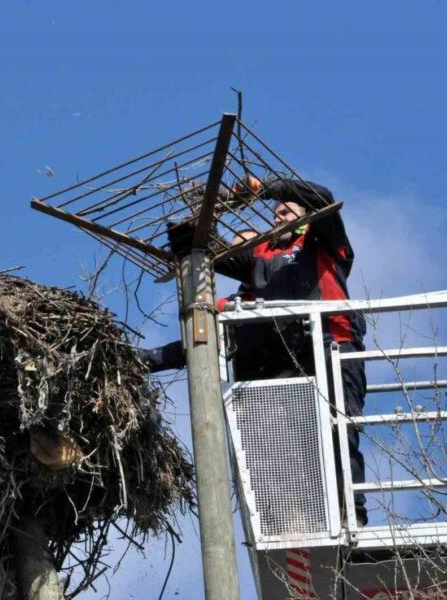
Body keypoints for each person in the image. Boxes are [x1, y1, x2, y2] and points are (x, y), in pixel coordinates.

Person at [140, 175, 368, 526]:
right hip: (282, 360)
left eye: (287, 210)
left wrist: (264, 188)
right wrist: (195, 230)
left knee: (338, 427)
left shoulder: (325, 244)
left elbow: (321, 198)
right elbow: (212, 256)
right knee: (280, 443)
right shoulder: (260, 261)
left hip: (332, 345)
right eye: (274, 212)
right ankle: (290, 518)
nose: (277, 215)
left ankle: (351, 515)